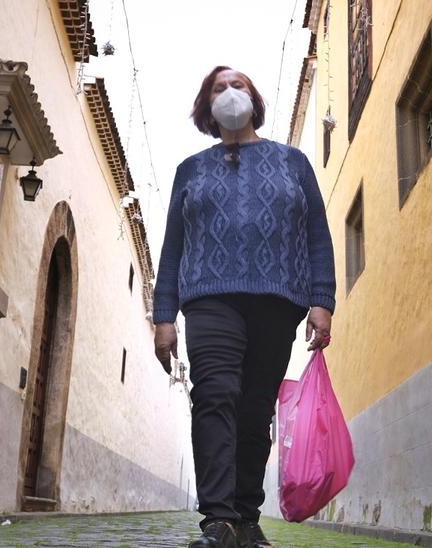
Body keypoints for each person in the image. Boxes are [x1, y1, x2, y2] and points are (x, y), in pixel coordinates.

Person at [153, 65, 336, 548]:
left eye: (238, 86)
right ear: (206, 105)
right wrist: (163, 317)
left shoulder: (293, 162)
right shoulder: (190, 171)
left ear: (254, 100)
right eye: (219, 87)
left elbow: (317, 234)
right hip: (209, 298)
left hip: (278, 300)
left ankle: (247, 517)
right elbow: (172, 248)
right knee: (214, 395)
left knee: (255, 410)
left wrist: (322, 301)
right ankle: (218, 519)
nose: (229, 93)